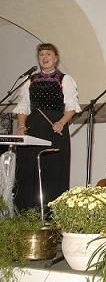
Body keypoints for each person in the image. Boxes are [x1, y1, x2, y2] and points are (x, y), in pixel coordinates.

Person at [13, 43, 81, 211]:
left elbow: (72, 106)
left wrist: (61, 122)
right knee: (29, 169)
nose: (44, 57)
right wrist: (21, 126)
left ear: (55, 59)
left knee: (53, 169)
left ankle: (52, 213)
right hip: (33, 129)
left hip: (55, 130)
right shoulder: (29, 81)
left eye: (48, 54)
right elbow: (23, 107)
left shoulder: (65, 80)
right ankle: (28, 212)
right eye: (41, 54)